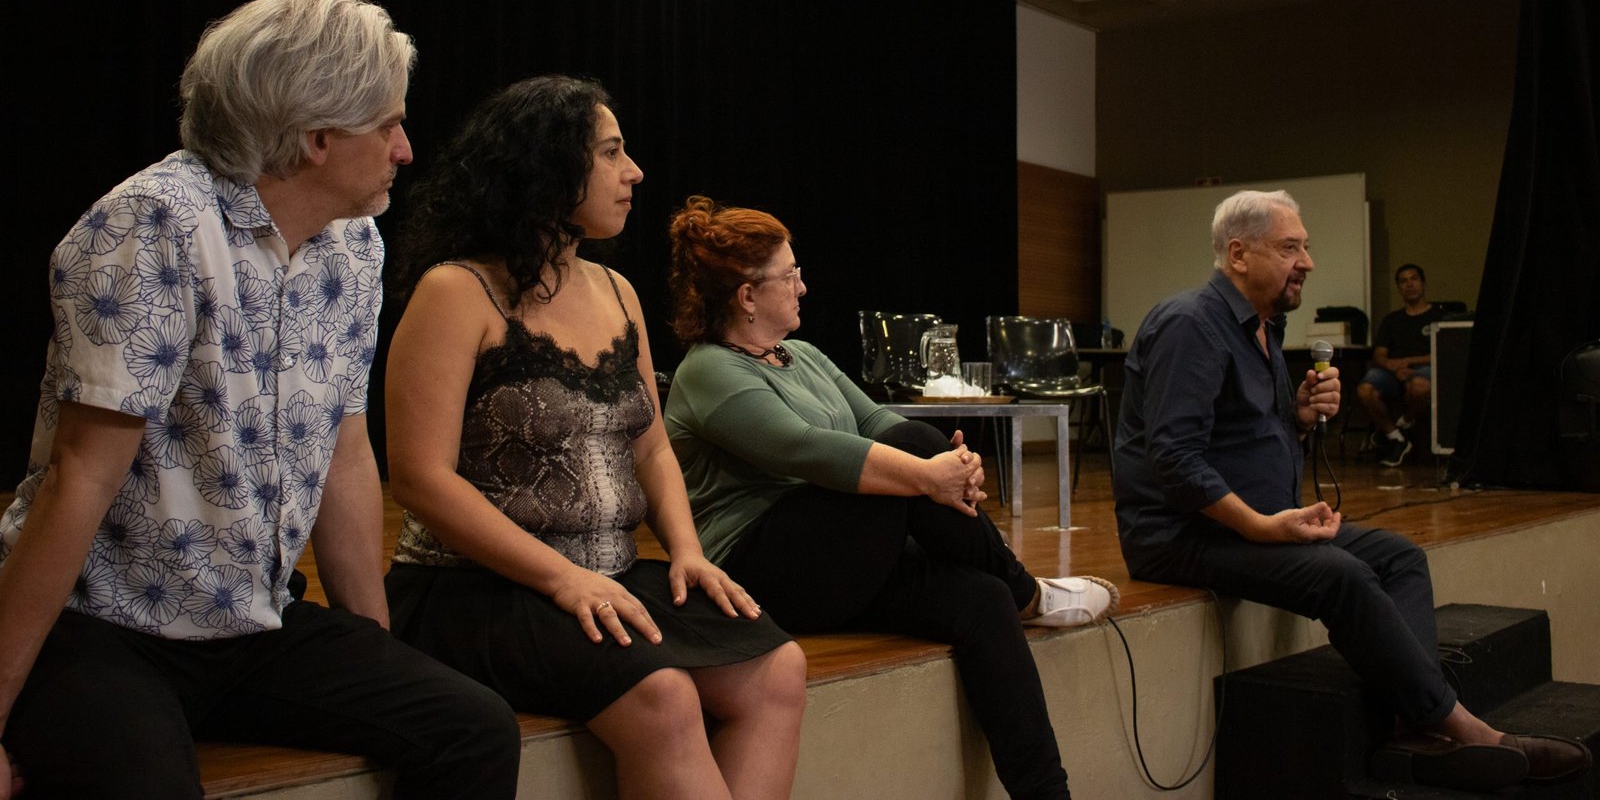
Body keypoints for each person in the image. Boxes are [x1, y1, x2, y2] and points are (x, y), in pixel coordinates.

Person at [0, 0, 521, 799]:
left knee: (472, 726)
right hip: (104, 624)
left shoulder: (354, 244)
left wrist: (377, 654)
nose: (406, 148)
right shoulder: (155, 223)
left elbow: (346, 450)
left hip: (253, 619)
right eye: (388, 124)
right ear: (317, 138)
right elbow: (81, 475)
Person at [382, 77, 805, 800]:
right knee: (664, 694)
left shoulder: (617, 291)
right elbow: (420, 476)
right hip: (476, 588)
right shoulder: (457, 290)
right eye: (612, 152)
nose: (634, 170)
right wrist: (560, 577)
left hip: (603, 573)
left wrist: (688, 550)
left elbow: (651, 445)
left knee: (779, 667)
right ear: (548, 168)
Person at [1111, 189, 1590, 791]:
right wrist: (1262, 526)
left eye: (1305, 247)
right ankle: (1464, 731)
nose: (1307, 261)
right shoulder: (1190, 325)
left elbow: (1240, 442)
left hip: (1251, 520)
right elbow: (1175, 460)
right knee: (1342, 574)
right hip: (1180, 534)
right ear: (1238, 253)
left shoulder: (1260, 328)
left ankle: (1414, 730)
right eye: (1291, 247)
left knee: (1401, 558)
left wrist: (1299, 422)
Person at [664, 195, 1120, 800]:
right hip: (762, 570)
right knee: (913, 449)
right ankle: (1029, 591)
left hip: (843, 552)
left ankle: (1047, 793)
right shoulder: (709, 371)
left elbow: (873, 419)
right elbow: (805, 449)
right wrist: (930, 475)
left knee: (979, 600)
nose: (804, 285)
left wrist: (947, 468)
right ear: (747, 296)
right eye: (790, 274)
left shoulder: (799, 355)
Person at [1359, 263, 1449, 467]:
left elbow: (1443, 352)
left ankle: (1404, 422)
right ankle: (1396, 437)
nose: (1409, 284)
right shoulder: (1392, 320)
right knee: (1365, 389)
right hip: (1393, 372)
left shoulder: (1439, 315)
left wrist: (1409, 363)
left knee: (1419, 386)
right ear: (1399, 287)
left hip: (1425, 370)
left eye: (1414, 279)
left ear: (1423, 283)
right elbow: (1379, 355)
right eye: (1403, 281)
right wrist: (1395, 368)